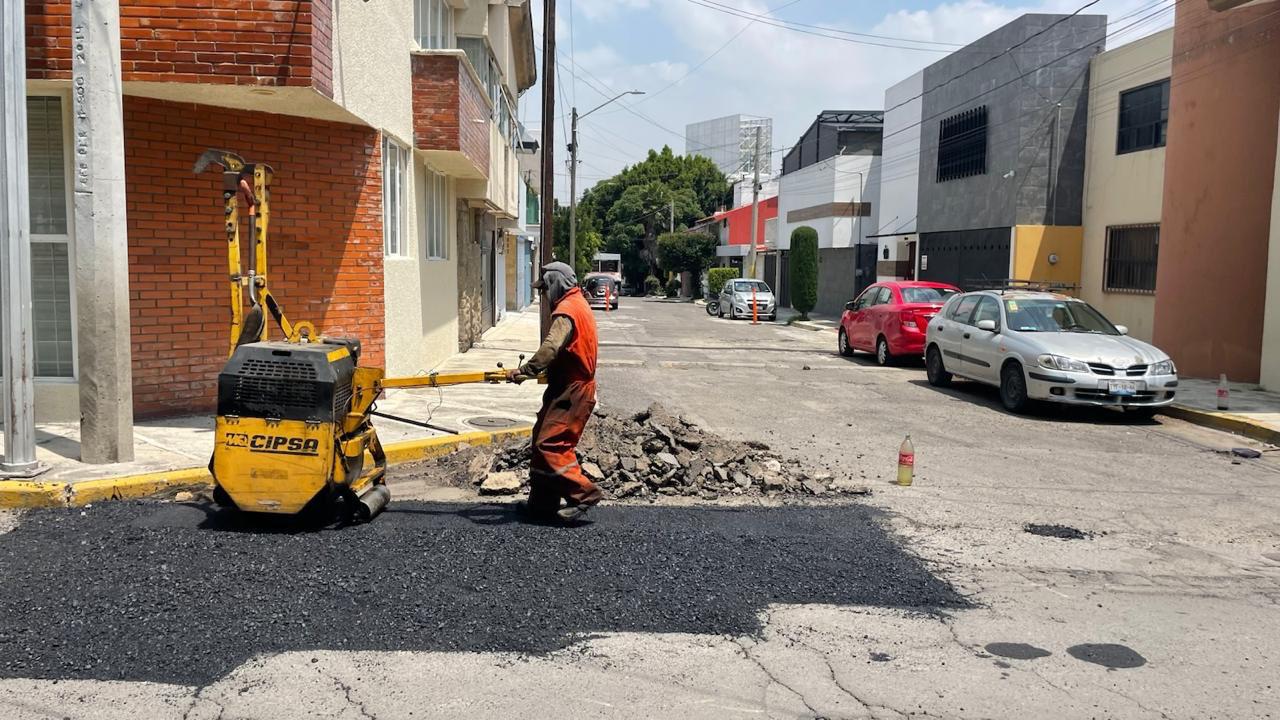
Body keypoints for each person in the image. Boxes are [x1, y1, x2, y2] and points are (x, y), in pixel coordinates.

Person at [507, 261, 602, 523]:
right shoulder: (576, 303)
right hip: (564, 386)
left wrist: (526, 370)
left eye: (545, 289)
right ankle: (541, 504)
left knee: (550, 443)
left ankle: (584, 494)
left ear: (555, 284)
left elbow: (551, 348)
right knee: (541, 439)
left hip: (574, 390)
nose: (544, 295)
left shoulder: (568, 309)